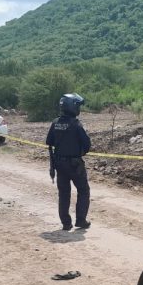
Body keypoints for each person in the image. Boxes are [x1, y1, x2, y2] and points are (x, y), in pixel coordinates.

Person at [46, 93, 91, 231]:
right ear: (72, 107)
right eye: (78, 106)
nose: (79, 109)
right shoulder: (76, 124)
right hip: (75, 165)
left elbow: (49, 142)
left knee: (64, 193)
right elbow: (87, 144)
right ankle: (81, 220)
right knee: (83, 190)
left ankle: (66, 223)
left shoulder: (55, 123)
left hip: (59, 164)